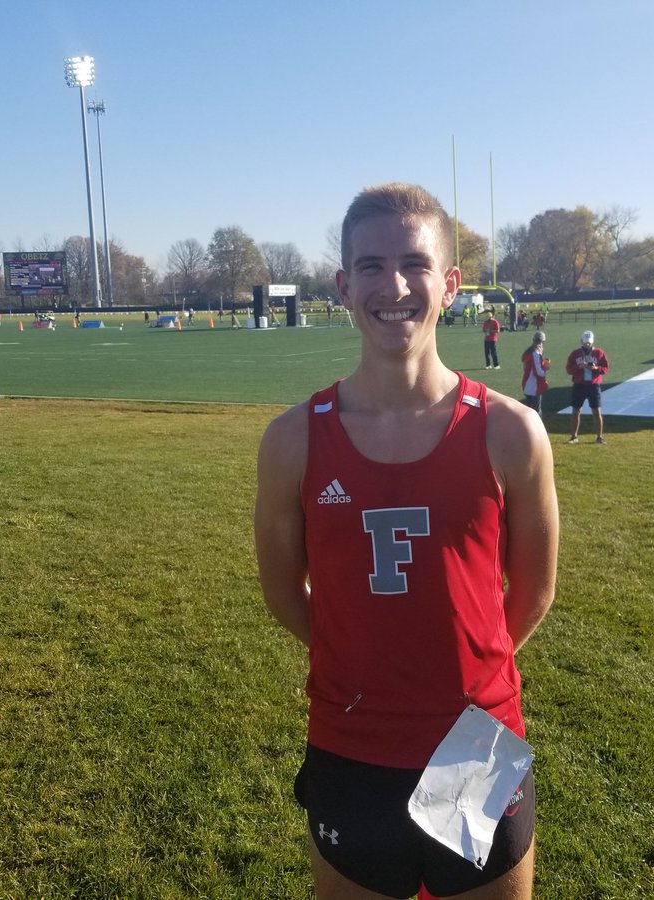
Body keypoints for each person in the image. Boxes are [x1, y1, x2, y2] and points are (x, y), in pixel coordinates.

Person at [255, 183, 558, 899]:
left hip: (477, 742)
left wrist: (469, 675)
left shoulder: (511, 431)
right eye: (371, 266)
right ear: (343, 286)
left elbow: (535, 591)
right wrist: (358, 660)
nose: (394, 286)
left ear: (450, 284)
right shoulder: (293, 439)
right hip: (350, 741)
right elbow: (282, 592)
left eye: (415, 264)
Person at [565, 330, 609, 444]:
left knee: (596, 411)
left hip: (594, 386)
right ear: (582, 341)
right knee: (576, 410)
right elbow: (569, 369)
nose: (587, 344)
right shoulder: (575, 354)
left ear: (592, 341)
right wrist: (578, 367)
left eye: (589, 342)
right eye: (585, 342)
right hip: (579, 385)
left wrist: (596, 368)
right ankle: (574, 437)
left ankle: (599, 437)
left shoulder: (599, 353)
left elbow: (605, 369)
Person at [520, 331, 549, 414]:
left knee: (529, 412)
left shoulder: (528, 351)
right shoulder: (535, 353)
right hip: (534, 386)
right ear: (541, 342)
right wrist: (546, 368)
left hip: (527, 385)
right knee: (536, 412)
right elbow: (539, 372)